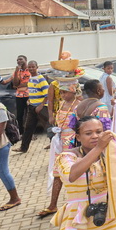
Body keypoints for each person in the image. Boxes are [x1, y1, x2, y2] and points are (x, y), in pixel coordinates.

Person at [37, 78, 80, 219]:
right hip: (60, 142)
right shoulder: (61, 104)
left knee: (72, 174)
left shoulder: (79, 106)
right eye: (60, 92)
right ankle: (52, 204)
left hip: (72, 144)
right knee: (57, 172)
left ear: (73, 91)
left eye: (64, 92)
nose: (62, 95)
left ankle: (74, 206)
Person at [14, 60, 49, 153]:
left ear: (37, 67)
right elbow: (33, 90)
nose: (31, 69)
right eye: (29, 67)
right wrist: (29, 100)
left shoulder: (41, 79)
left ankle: (54, 144)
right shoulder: (30, 78)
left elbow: (48, 94)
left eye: (33, 67)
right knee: (28, 128)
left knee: (49, 126)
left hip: (42, 108)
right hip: (32, 107)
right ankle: (23, 148)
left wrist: (41, 105)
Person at [0, 103, 20, 211]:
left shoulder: (0, 108)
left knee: (3, 172)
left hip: (1, 146)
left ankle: (14, 198)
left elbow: (0, 131)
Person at [0, 55, 30, 133]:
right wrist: (16, 72)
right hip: (19, 96)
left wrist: (18, 85)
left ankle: (30, 133)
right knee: (20, 115)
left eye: (20, 59)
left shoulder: (30, 70)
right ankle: (21, 132)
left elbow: (30, 83)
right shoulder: (17, 71)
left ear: (25, 60)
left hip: (29, 96)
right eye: (17, 60)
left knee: (29, 115)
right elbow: (11, 82)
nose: (18, 61)